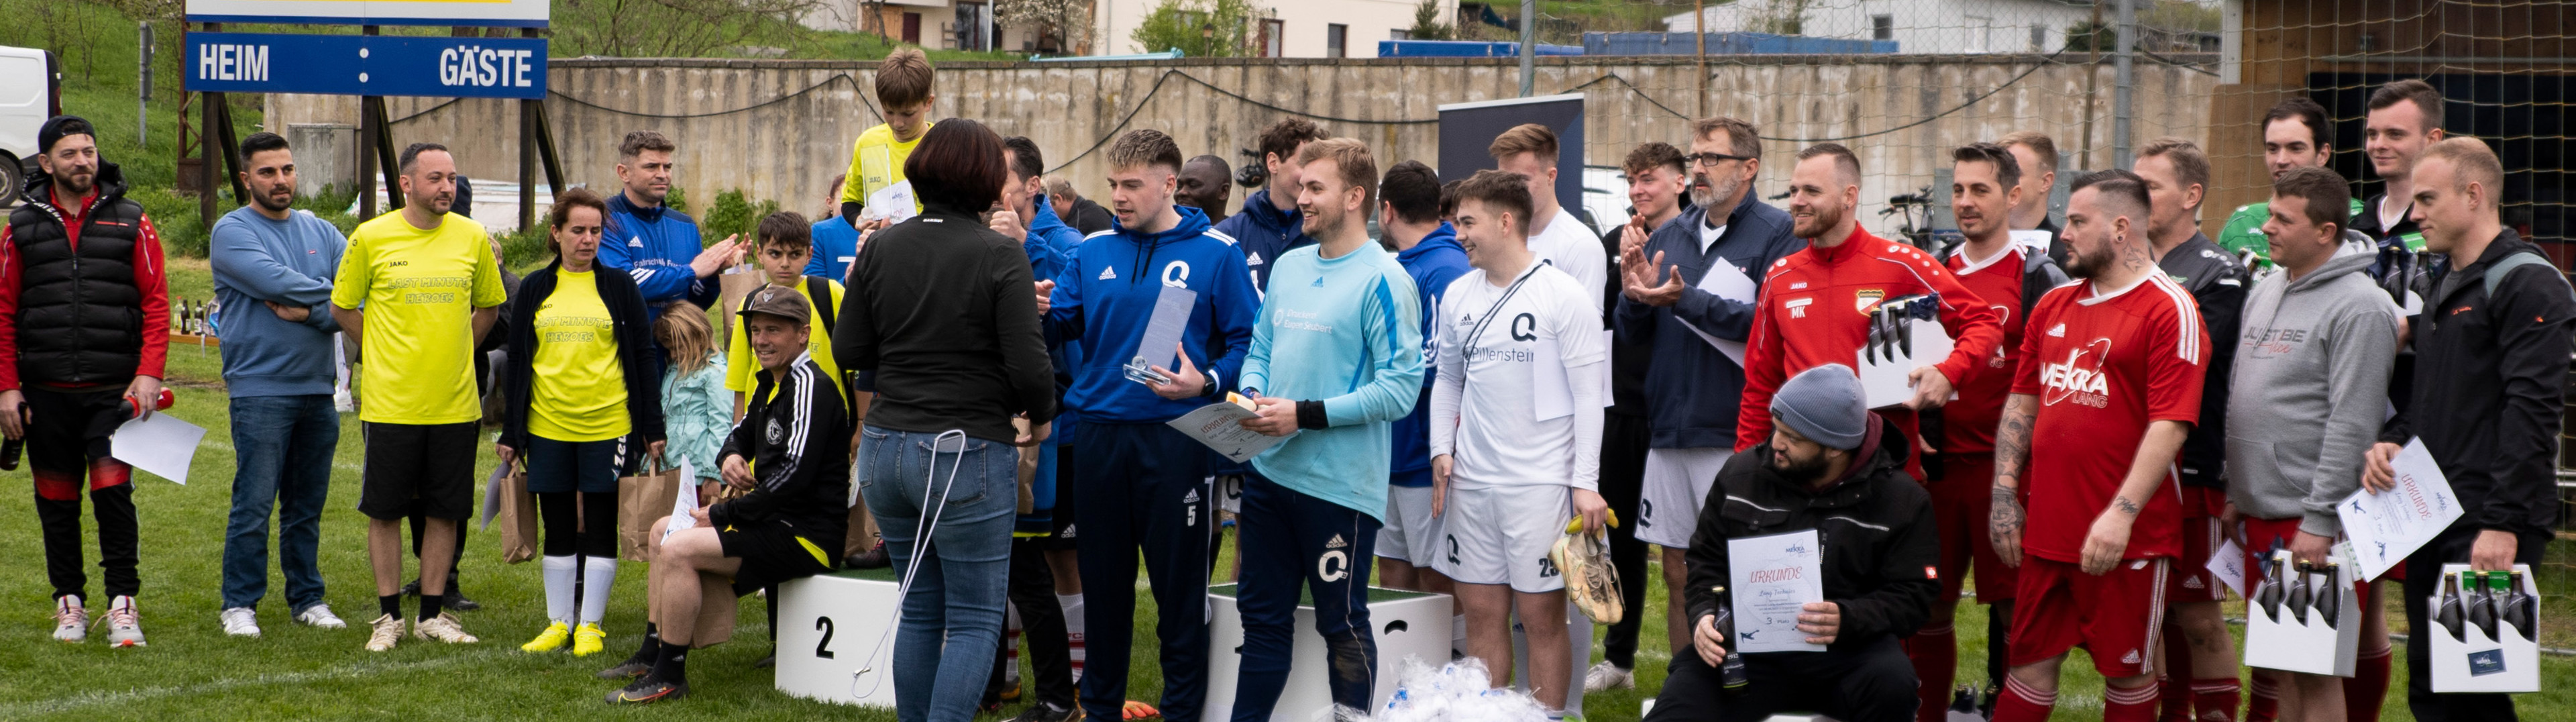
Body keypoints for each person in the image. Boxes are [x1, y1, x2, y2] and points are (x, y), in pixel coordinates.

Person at [826, 117, 1058, 721]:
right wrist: (1041, 417)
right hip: (964, 448)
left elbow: (850, 349)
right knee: (975, 617)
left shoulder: (881, 248)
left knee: (922, 607)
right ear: (985, 181)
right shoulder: (1001, 253)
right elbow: (1031, 368)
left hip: (887, 448)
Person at [1042, 129, 1258, 722]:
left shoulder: (1217, 253)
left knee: (1178, 590)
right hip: (1099, 437)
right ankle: (1101, 708)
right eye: (1113, 184)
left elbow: (1249, 343)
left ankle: (1182, 710)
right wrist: (1032, 305)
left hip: (1177, 439)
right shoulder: (1092, 251)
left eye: (1132, 185)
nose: (1118, 196)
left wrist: (1206, 381)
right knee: (1104, 586)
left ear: (1169, 185)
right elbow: (1060, 325)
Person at [2364, 137, 2573, 722]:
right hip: (2432, 511)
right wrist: (2394, 439)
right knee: (2431, 687)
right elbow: (2436, 398)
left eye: (2428, 199)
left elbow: (2533, 412)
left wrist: (2502, 523)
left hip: (2491, 520)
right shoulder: (2443, 281)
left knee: (2475, 689)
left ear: (2474, 195)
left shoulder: (2529, 283)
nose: (2415, 214)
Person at [1987, 170, 2208, 722]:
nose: (2063, 233)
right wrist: (2004, 494)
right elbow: (2023, 403)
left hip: (2126, 537)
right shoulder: (2054, 304)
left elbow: (2171, 425)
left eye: (2078, 222)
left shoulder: (2170, 308)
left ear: (2121, 228)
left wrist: (2120, 515)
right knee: (2026, 668)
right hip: (2048, 531)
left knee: (2128, 673)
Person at [1226, 138, 1425, 720]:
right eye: (1301, 186)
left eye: (1316, 188)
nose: (1302, 197)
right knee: (1261, 623)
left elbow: (1400, 390)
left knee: (1342, 624)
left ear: (1355, 197)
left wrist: (1303, 413)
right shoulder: (1290, 265)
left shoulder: (1385, 279)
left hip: (1339, 487)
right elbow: (1261, 348)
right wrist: (1255, 391)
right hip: (1269, 474)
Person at [1610, 116, 1803, 684]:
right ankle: (1688, 687)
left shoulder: (1778, 233)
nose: (1698, 168)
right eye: (1695, 157)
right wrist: (1633, 293)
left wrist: (1685, 300)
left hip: (1736, 430)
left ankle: (1756, 688)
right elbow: (1632, 334)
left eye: (1712, 158)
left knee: (1749, 569)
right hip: (1670, 428)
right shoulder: (1669, 234)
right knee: (1679, 569)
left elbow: (1770, 323)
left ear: (1749, 168)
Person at [1644, 364, 1937, 722]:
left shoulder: (1901, 500)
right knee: (1677, 708)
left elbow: (1914, 595)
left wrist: (1848, 618)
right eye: (1777, 428)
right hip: (1746, 650)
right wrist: (1704, 615)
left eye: (1793, 438)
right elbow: (1706, 561)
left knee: (1893, 684)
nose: (1776, 444)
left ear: (1836, 448)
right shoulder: (1741, 476)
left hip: (1850, 652)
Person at [608, 289, 852, 705]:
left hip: (807, 534)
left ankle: (670, 675)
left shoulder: (811, 386)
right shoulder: (770, 382)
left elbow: (794, 476)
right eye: (756, 331)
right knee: (661, 531)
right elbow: (737, 435)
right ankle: (652, 652)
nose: (761, 341)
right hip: (772, 522)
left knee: (680, 547)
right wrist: (731, 457)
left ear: (803, 334)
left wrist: (724, 513)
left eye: (774, 330)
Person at [1428, 168, 1604, 717]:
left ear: (1506, 222)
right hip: (1472, 484)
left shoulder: (1563, 294)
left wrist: (1585, 483)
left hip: (1539, 486)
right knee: (1482, 615)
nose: (1458, 234)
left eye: (1468, 223)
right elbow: (1448, 380)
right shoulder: (1458, 293)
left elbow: (1590, 396)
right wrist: (1441, 450)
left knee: (1541, 618)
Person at [2227, 165, 2397, 722]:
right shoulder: (2269, 286)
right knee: (2284, 668)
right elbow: (2245, 393)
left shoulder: (2362, 306)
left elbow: (2354, 422)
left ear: (2326, 232)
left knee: (2316, 672)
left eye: (2283, 218)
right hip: (2264, 511)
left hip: (2313, 522)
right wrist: (2237, 489)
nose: (2267, 227)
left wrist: (2321, 521)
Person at [1735, 143, 2003, 481]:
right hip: (1804, 473)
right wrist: (1744, 470)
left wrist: (1949, 373)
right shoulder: (1780, 277)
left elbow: (1984, 323)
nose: (1797, 201)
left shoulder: (1903, 264)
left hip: (1883, 469)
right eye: (1793, 191)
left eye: (1811, 191)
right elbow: (1760, 386)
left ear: (1849, 196)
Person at [1, 115, 171, 648]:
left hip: (113, 393)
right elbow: (3, 312)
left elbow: (157, 302)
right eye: (70, 153)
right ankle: (69, 604)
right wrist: (8, 387)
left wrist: (149, 373)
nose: (82, 161)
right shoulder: (20, 226)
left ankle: (123, 605)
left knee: (114, 498)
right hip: (44, 392)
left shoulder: (133, 219)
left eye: (89, 151)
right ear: (46, 163)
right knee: (56, 502)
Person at [329, 142, 506, 651]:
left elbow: (489, 308)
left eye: (452, 178)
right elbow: (342, 307)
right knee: (385, 510)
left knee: (444, 511)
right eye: (435, 179)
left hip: (455, 404)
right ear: (406, 184)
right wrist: (380, 352)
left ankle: (432, 615)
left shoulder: (472, 237)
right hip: (392, 404)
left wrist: (457, 351)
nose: (447, 187)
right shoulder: (371, 237)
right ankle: (388, 617)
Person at [1915, 142, 2068, 721]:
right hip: (1937, 470)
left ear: (2013, 195)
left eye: (1980, 189)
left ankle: (2009, 708)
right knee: (1929, 603)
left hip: (2006, 475)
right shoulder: (1929, 271)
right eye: (1958, 190)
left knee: (2014, 608)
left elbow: (2054, 379)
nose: (1966, 201)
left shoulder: (2039, 276)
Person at [496, 187, 667, 657]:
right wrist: (512, 432)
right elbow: (518, 361)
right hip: (547, 427)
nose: (588, 239)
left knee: (600, 525)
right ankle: (558, 623)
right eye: (578, 230)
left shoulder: (620, 287)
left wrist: (652, 427)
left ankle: (590, 624)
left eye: (595, 231)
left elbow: (643, 357)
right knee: (557, 526)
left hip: (608, 427)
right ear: (556, 234)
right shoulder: (535, 287)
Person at [209, 131, 350, 638]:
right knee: (253, 503)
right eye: (267, 172)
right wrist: (331, 300)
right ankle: (239, 603)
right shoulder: (232, 231)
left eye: (287, 169)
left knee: (306, 507)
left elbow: (357, 298)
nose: (280, 180)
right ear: (246, 178)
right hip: (260, 389)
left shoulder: (323, 231)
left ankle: (307, 598)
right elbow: (275, 282)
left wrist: (312, 312)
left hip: (317, 389)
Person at [2130, 137, 2247, 722]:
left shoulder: (2219, 273)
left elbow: (2179, 363)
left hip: (2192, 468)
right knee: (2151, 613)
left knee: (2199, 615)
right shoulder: (2126, 265)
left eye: (2150, 186)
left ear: (2191, 195)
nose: (2136, 196)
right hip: (2131, 466)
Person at [983, 134, 1081, 722]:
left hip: (1051, 432)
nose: (992, 191)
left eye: (1002, 179)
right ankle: (999, 680)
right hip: (993, 426)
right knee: (994, 566)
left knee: (1045, 561)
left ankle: (1067, 687)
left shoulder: (1062, 243)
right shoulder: (975, 233)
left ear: (1031, 186)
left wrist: (1026, 247)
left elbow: (1081, 313)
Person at [1585, 142, 1683, 693]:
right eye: (1632, 181)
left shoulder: (1693, 241)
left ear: (1679, 182)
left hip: (1677, 410)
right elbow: (1600, 323)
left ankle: (1696, 666)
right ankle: (1619, 660)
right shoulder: (1612, 243)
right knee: (1621, 541)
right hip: (1621, 408)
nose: (1638, 190)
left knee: (1684, 552)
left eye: (1649, 179)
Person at [1374, 159, 1469, 598]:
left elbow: (1444, 367)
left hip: (1424, 456)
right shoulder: (1403, 263)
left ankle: (1451, 649)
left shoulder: (1445, 267)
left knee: (1437, 581)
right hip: (1390, 450)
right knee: (1392, 571)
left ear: (1387, 211)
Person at [597, 130, 739, 346]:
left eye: (667, 167)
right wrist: (692, 271)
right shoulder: (605, 219)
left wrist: (714, 272)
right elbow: (625, 283)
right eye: (652, 167)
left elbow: (693, 301)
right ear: (624, 173)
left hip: (675, 354)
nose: (662, 174)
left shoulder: (685, 225)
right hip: (623, 352)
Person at [2216, 97, 2371, 271]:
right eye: (2273, 149)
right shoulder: (2243, 223)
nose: (2281, 160)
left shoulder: (2360, 219)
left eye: (2295, 148)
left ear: (2323, 154)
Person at [725, 213, 848, 415]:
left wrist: (860, 421)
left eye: (795, 254)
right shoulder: (749, 303)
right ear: (760, 254)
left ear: (809, 254)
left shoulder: (831, 294)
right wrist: (738, 428)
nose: (785, 263)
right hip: (764, 418)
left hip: (823, 416)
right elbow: (740, 379)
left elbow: (855, 369)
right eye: (775, 254)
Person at [1489, 123, 1606, 310]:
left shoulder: (1580, 245)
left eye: (1521, 180)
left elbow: (1585, 325)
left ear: (1551, 176)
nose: (1509, 190)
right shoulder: (1494, 239)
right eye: (1503, 180)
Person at [1216, 118, 1328, 292]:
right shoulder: (1229, 234)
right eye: (1305, 164)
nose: (1312, 176)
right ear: (1273, 163)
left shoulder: (1328, 233)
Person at [840, 47, 938, 224]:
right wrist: (860, 221)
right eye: (889, 111)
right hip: (881, 241)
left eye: (908, 114)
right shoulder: (867, 143)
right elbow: (851, 201)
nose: (898, 123)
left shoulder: (944, 146)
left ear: (928, 103)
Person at [651, 303, 730, 497]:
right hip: (674, 471)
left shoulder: (715, 372)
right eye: (669, 350)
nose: (674, 355)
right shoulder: (674, 370)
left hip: (700, 474)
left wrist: (714, 474)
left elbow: (722, 425)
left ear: (698, 336)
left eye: (678, 348)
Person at [1998, 132, 2065, 266]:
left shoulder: (2069, 255)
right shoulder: (1969, 249)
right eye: (1997, 176)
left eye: (2013, 174)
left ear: (2045, 182)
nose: (2000, 183)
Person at [808, 173, 865, 282]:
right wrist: (847, 280)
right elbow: (814, 285)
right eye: (846, 199)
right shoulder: (821, 232)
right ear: (830, 202)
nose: (856, 207)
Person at [1179, 154, 1234, 224]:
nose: (1181, 192)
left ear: (1223, 192)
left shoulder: (1240, 230)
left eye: (1193, 185)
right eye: (1179, 187)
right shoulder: (1168, 230)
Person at [1047, 178, 1115, 236]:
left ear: (1059, 199)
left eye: (1048, 206)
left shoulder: (1077, 226)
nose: (1049, 212)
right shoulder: (1092, 208)